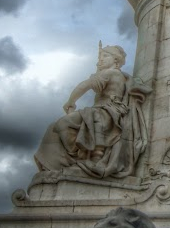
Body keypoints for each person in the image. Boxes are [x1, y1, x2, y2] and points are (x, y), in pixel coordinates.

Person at [34, 44, 151, 179]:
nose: (100, 60)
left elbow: (85, 85)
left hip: (105, 113)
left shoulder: (111, 73)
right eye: (100, 57)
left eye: (105, 56)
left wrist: (71, 101)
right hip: (101, 111)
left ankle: (77, 159)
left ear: (116, 60)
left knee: (62, 124)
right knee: (55, 127)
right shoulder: (115, 75)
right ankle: (78, 159)